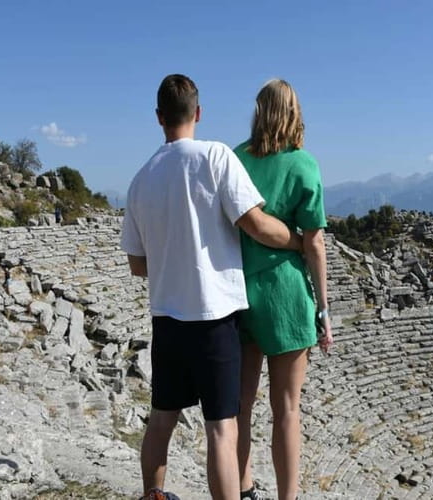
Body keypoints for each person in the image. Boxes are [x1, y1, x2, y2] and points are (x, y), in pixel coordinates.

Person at [121, 74, 303, 500]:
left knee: (161, 418)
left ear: (159, 117)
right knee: (222, 428)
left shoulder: (140, 179)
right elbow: (255, 224)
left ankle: (153, 494)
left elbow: (137, 264)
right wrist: (298, 241)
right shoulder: (216, 156)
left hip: (167, 318)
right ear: (198, 113)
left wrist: (174, 262)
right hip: (214, 318)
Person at [234, 79, 333, 500]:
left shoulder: (236, 158)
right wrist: (324, 308)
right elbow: (314, 242)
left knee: (240, 407)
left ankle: (243, 490)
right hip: (286, 295)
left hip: (239, 290)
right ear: (295, 112)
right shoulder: (303, 164)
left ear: (258, 111)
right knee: (287, 410)